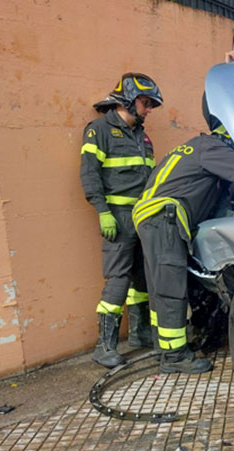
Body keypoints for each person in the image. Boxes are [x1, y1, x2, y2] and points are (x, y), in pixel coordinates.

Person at [131, 93, 234, 374]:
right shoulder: (213, 148)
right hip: (165, 217)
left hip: (149, 216)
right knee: (171, 287)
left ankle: (167, 349)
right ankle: (175, 358)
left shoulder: (194, 147)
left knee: (162, 285)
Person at [81, 73, 163, 368]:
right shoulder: (100, 130)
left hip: (142, 217)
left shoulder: (142, 136)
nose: (149, 109)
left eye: (152, 103)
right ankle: (105, 347)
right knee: (118, 279)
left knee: (141, 276)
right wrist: (102, 211)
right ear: (129, 99)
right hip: (117, 217)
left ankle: (140, 333)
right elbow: (89, 173)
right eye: (146, 102)